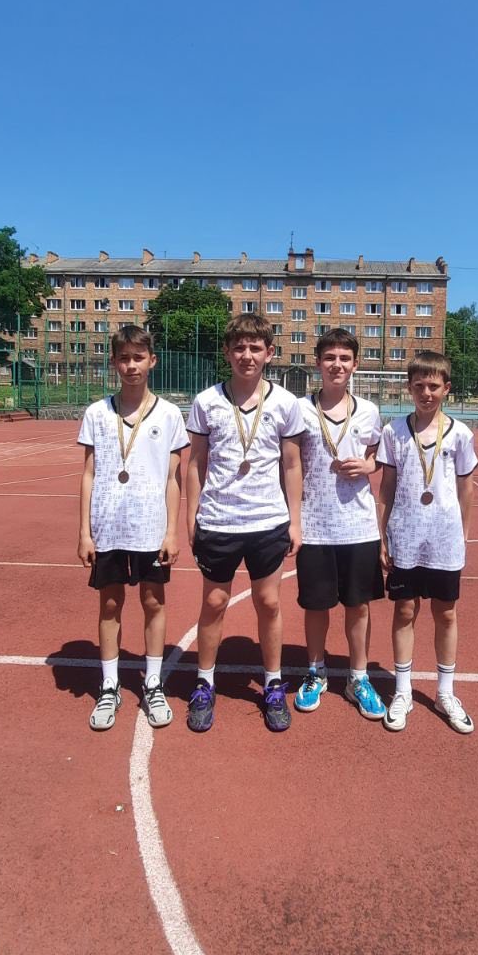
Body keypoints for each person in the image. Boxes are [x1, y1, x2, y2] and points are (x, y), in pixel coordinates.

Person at [184, 313, 304, 733]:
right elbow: (195, 463)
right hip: (218, 520)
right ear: (227, 352)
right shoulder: (206, 402)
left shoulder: (286, 403)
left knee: (268, 603)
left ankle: (272, 684)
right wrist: (191, 516)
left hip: (267, 521)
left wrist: (295, 521)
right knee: (215, 602)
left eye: (255, 348)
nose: (247, 355)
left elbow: (292, 465)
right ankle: (204, 683)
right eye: (239, 347)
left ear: (269, 353)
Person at [77, 325, 188, 730]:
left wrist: (172, 532)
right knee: (109, 604)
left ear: (152, 361)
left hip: (150, 528)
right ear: (114, 363)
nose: (131, 365)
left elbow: (173, 478)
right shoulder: (97, 413)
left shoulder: (170, 414)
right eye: (123, 358)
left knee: (153, 602)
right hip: (108, 528)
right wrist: (84, 532)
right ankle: (110, 685)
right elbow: (88, 474)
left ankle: (153, 682)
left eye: (138, 357)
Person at [376, 351, 476, 735]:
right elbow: (386, 487)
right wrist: (382, 536)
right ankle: (402, 691)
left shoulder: (461, 434)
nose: (426, 393)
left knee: (446, 613)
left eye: (434, 386)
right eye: (419, 385)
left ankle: (445, 692)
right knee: (405, 610)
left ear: (446, 388)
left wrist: (463, 534)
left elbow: (466, 488)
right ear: (409, 388)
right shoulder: (394, 432)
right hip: (405, 535)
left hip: (445, 538)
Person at [292, 329, 386, 719]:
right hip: (314, 525)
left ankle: (358, 677)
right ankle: (316, 672)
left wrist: (368, 465)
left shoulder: (369, 411)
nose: (337, 364)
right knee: (316, 606)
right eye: (330, 357)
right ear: (318, 363)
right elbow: (290, 464)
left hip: (358, 526)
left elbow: (377, 456)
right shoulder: (299, 409)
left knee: (358, 605)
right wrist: (293, 520)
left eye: (345, 358)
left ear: (355, 364)